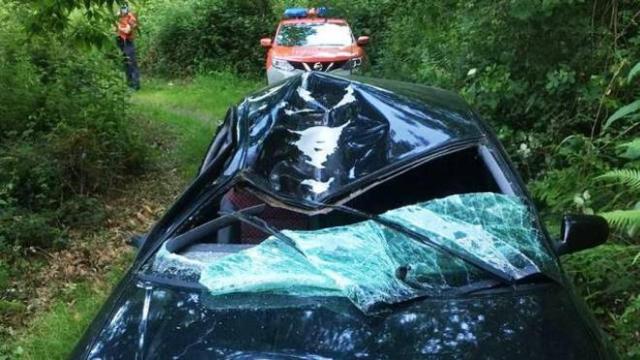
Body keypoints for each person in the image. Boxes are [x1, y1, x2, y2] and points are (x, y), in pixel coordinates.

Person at [116, 4, 140, 90]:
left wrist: (118, 26)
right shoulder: (118, 17)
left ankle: (136, 85)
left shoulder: (131, 17)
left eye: (124, 8)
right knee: (126, 63)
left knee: (132, 63)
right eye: (121, 8)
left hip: (128, 42)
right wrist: (118, 25)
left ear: (127, 8)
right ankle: (129, 84)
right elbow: (113, 28)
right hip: (120, 41)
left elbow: (127, 30)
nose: (123, 10)